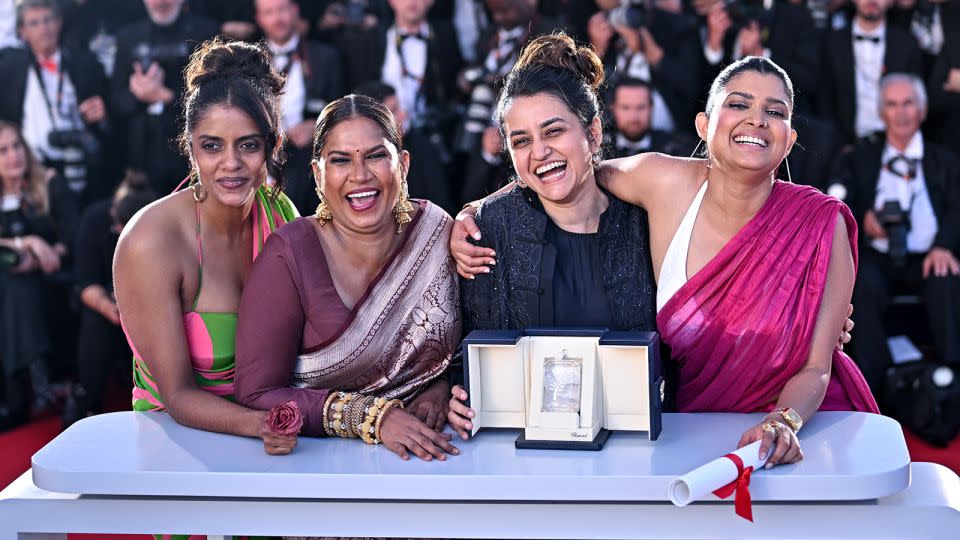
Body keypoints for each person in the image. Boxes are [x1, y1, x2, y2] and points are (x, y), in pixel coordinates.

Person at [451, 48, 874, 468]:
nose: (757, 119)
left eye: (775, 111)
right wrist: (473, 211)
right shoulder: (661, 181)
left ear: (790, 137)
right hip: (690, 431)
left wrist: (785, 421)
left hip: (807, 429)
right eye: (739, 104)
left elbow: (818, 370)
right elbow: (564, 169)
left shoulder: (823, 222)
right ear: (704, 125)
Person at [444, 33, 656, 444]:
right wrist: (452, 394)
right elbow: (469, 353)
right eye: (521, 140)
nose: (538, 152)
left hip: (640, 450)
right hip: (520, 462)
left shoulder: (645, 220)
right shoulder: (489, 230)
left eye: (553, 131)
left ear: (592, 134)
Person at [234, 94, 461, 462]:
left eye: (375, 156)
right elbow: (256, 392)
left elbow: (460, 347)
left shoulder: (436, 234)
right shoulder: (289, 253)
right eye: (340, 160)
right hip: (318, 469)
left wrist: (438, 386)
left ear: (402, 165)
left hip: (434, 459)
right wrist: (371, 418)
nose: (360, 174)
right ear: (318, 175)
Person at [113, 38, 298, 455]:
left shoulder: (282, 213)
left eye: (248, 145)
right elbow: (177, 396)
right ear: (190, 145)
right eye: (212, 146)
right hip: (179, 450)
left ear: (273, 145)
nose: (230, 163)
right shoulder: (151, 241)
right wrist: (266, 425)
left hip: (274, 442)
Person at [833, 73, 960, 395]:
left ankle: (951, 383)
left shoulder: (945, 160)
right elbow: (838, 205)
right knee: (859, 282)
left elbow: (957, 208)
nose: (901, 112)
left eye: (908, 103)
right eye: (892, 104)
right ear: (881, 112)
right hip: (878, 256)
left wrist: (944, 246)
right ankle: (873, 390)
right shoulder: (861, 157)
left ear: (923, 110)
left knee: (946, 278)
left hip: (928, 255)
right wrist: (864, 219)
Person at [0, 121, 77, 430]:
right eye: (3, 150)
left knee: (17, 284)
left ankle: (17, 393)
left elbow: (73, 237)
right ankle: (34, 380)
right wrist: (27, 242)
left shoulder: (49, 183)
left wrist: (49, 253)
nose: (13, 155)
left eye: (17, 146)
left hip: (48, 283)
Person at [64, 169, 155, 428]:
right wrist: (113, 308)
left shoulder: (161, 227)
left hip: (149, 305)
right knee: (94, 321)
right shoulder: (94, 220)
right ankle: (86, 403)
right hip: (106, 306)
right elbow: (84, 284)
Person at [0, 0, 109, 201]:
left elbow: (107, 117)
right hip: (30, 169)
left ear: (59, 22)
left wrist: (102, 115)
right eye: (34, 23)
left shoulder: (85, 64)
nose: (43, 29)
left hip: (80, 165)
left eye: (48, 20)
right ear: (22, 31)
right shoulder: (8, 71)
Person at [111, 0, 218, 195]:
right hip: (142, 156)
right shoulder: (128, 37)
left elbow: (215, 95)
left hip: (189, 153)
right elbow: (117, 99)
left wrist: (167, 96)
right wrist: (138, 94)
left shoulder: (206, 32)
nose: (160, 2)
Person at [255, 0, 345, 215]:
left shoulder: (325, 57)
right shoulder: (249, 61)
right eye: (269, 12)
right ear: (259, 19)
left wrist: (316, 125)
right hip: (260, 153)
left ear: (296, 12)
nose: (277, 18)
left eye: (283, 9)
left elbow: (342, 108)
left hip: (306, 156)